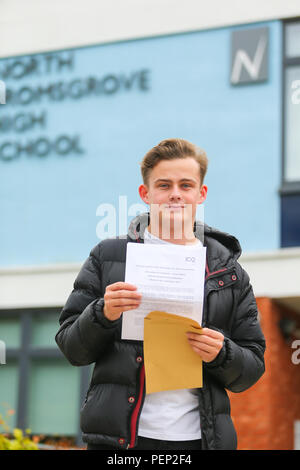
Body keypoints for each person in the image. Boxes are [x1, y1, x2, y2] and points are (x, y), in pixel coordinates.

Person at [55, 138, 265, 450]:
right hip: (121, 441)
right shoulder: (108, 256)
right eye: (164, 185)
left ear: (201, 193)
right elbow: (72, 349)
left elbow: (250, 370)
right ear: (146, 193)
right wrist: (102, 313)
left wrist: (223, 353)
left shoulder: (229, 273)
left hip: (200, 441)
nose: (176, 194)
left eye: (186, 184)